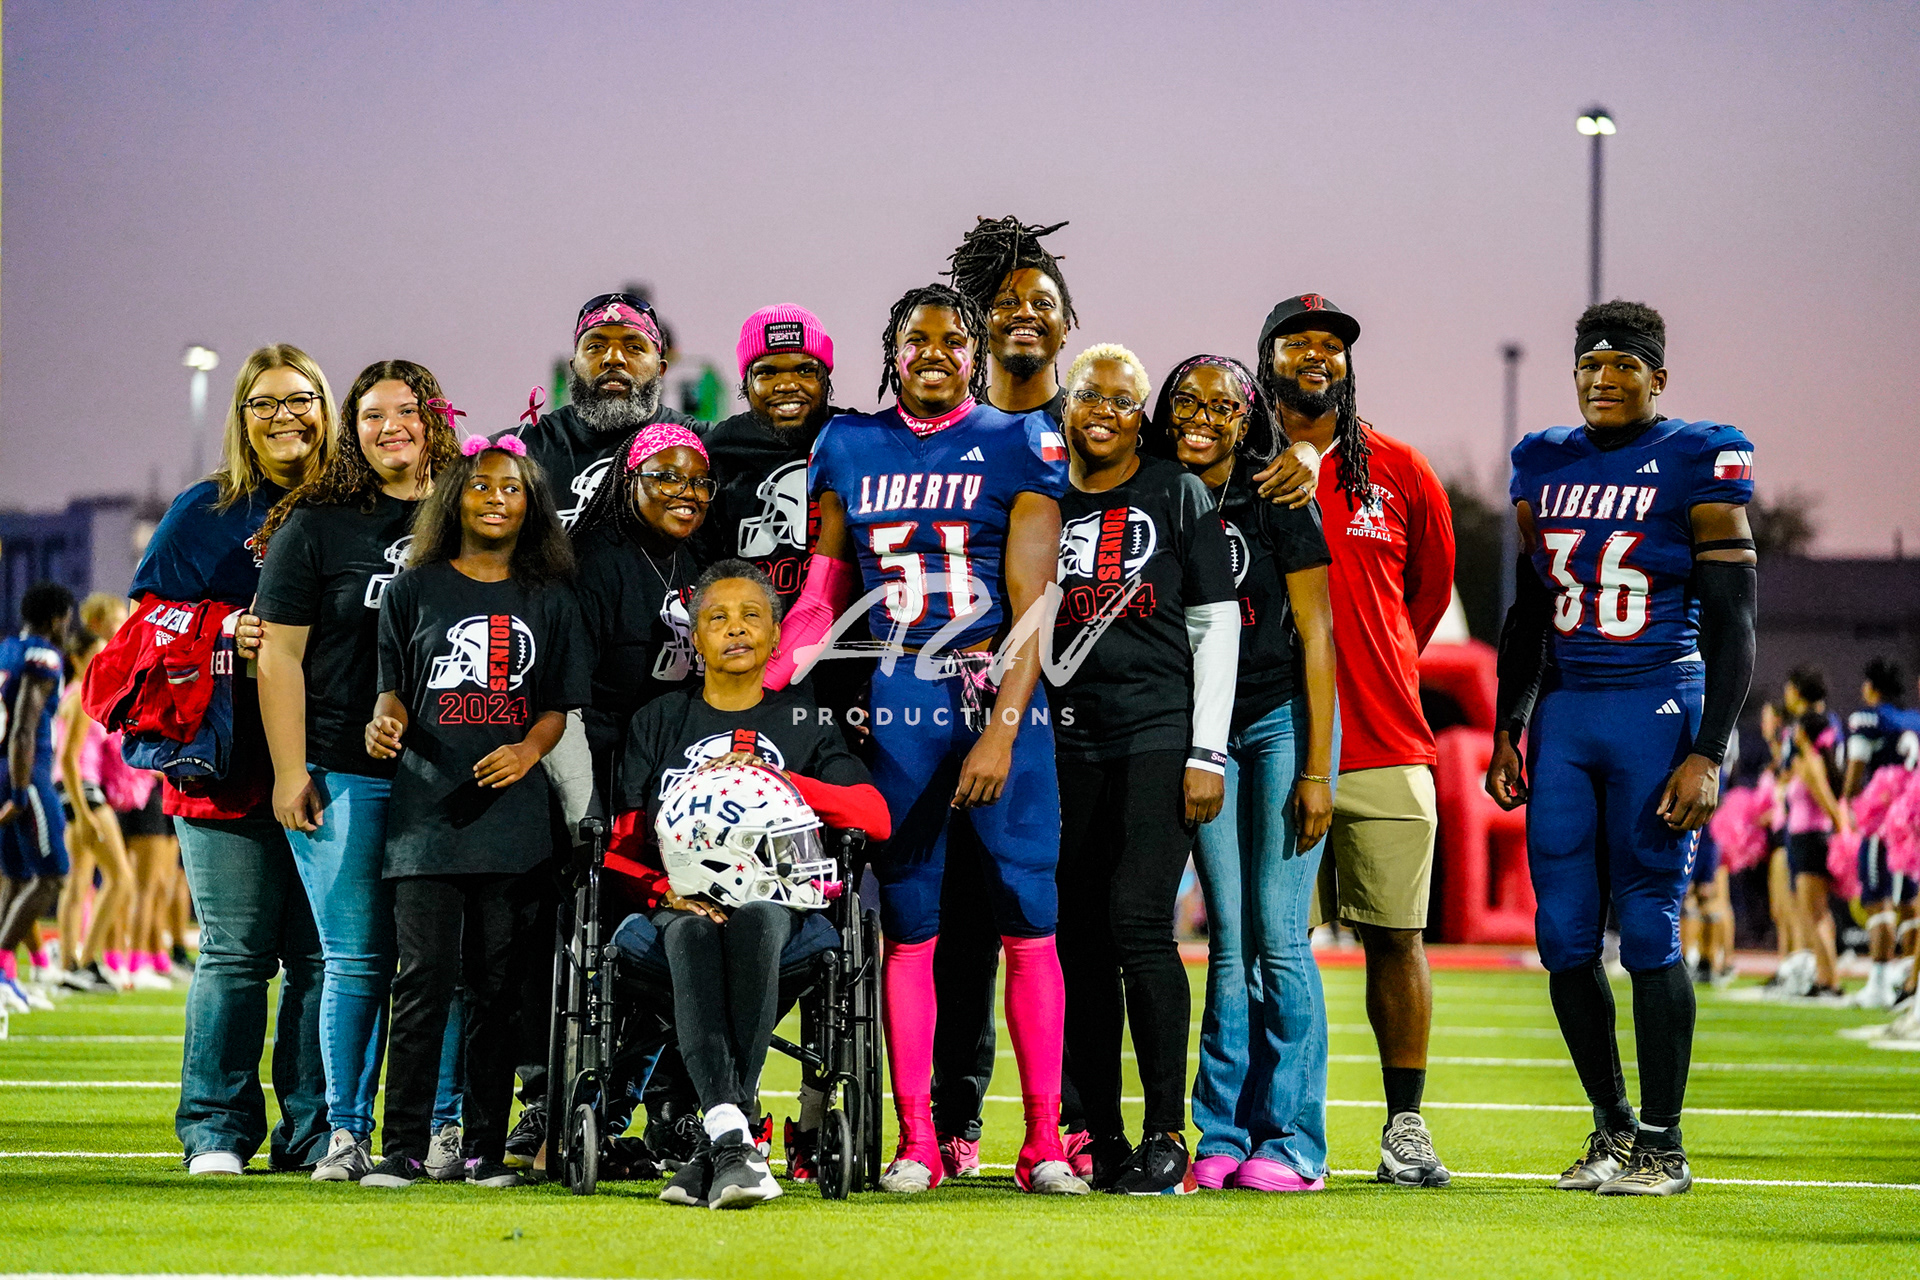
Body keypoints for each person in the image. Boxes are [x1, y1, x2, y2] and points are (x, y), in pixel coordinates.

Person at [771, 282, 1084, 1195]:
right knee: (910, 927)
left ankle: (1042, 1143)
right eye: (919, 339)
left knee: (1029, 920)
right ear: (893, 352)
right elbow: (822, 592)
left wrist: (1001, 734)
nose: (937, 352)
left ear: (974, 353)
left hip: (993, 683)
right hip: (900, 684)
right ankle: (917, 1142)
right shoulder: (848, 443)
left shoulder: (1019, 439)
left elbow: (1034, 610)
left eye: (954, 338)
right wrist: (768, 680)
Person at [1487, 299, 1758, 1196]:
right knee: (1563, 935)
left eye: (1623, 365)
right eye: (1590, 365)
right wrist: (1509, 726)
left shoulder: (1699, 456)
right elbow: (1531, 611)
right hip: (1567, 714)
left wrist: (1710, 750)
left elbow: (1734, 620)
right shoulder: (1542, 461)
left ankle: (1664, 1144)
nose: (1603, 379)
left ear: (1657, 377)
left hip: (1656, 704)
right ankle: (1610, 1128)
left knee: (1646, 927)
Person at [606, 559, 892, 1208]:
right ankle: (735, 1140)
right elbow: (621, 846)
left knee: (759, 918)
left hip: (780, 906)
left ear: (775, 634)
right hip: (680, 904)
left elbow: (874, 817)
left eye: (751, 616)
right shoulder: (657, 721)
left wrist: (780, 781)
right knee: (690, 934)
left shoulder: (804, 721)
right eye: (717, 618)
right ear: (695, 639)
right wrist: (661, 893)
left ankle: (718, 1145)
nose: (735, 629)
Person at [1256, 294, 1456, 1186]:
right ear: (1266, 358)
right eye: (1298, 342)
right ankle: (1271, 1127)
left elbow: (1427, 597)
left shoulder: (1401, 469)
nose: (1318, 355)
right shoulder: (1243, 466)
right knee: (1271, 946)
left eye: (1332, 346)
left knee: (1398, 938)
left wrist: (1379, 663)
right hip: (1274, 743)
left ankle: (1404, 1125)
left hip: (1385, 741)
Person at [253, 359, 463, 1181]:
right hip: (343, 769)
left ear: (434, 419)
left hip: (448, 776)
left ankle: (445, 1129)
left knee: (442, 962)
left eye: (406, 411)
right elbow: (279, 655)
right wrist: (288, 770)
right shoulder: (319, 523)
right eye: (371, 416)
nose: (389, 428)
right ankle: (346, 1132)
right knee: (357, 958)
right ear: (353, 430)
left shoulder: (473, 510)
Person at [359, 437, 588, 1189]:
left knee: (499, 989)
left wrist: (526, 751)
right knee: (422, 982)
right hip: (425, 819)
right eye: (481, 486)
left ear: (532, 505)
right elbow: (393, 689)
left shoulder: (551, 596)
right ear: (454, 498)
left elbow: (556, 708)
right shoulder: (412, 589)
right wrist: (384, 723)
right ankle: (402, 1147)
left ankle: (487, 1148)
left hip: (513, 823)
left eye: (512, 488)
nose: (495, 499)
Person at [129, 344, 336, 1174]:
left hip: (333, 764)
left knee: (324, 960)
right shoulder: (204, 510)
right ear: (241, 418)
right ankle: (216, 1128)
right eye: (265, 403)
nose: (285, 417)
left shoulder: (357, 505)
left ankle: (317, 1131)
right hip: (225, 765)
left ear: (325, 407)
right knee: (236, 952)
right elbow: (143, 621)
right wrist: (222, 626)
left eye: (301, 399)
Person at [1045, 345, 1241, 1194]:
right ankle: (1099, 1132)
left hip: (1158, 732)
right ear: (1068, 404)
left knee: (1137, 922)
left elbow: (1215, 624)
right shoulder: (1041, 493)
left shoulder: (1175, 489)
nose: (1104, 409)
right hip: (1064, 740)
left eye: (1123, 400)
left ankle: (1167, 1132)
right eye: (1090, 394)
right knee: (1080, 938)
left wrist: (1207, 750)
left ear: (1141, 417)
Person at [1151, 354, 1338, 1192]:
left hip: (1279, 720)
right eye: (1186, 402)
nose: (1201, 417)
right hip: (1203, 730)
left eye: (1221, 406)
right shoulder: (1153, 493)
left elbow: (1318, 633)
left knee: (1279, 934)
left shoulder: (1279, 494)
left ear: (1246, 417)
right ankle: (1222, 1133)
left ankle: (1294, 1140)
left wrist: (1318, 770)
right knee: (1228, 939)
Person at [568, 422, 713, 786]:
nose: (689, 493)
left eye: (699, 482)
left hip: (673, 762)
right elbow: (566, 700)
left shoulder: (696, 560)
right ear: (629, 481)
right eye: (668, 478)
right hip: (603, 768)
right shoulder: (593, 562)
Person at [695, 306, 843, 613]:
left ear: (827, 377)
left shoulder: (860, 441)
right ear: (745, 382)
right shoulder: (715, 453)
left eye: (805, 370)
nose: (787, 385)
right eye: (767, 372)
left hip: (849, 638)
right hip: (751, 639)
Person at [509, 291, 696, 530]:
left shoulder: (699, 443)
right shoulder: (522, 450)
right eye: (596, 346)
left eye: (633, 347)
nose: (613, 358)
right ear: (573, 367)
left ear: (661, 369)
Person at [53, 598, 139, 992]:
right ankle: (87, 959)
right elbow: (68, 759)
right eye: (96, 657)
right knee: (120, 878)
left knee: (79, 882)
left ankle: (71, 966)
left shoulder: (75, 694)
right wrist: (84, 813)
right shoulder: (79, 698)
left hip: (74, 791)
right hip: (82, 792)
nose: (103, 663)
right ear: (78, 659)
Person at [0, 583, 77, 1014]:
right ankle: (0, 972)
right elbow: (24, 728)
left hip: (7, 768)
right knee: (52, 875)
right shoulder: (43, 656)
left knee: (15, 875)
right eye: (67, 618)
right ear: (56, 618)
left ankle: (5, 976)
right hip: (27, 772)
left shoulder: (6, 650)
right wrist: (19, 789)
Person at [1844, 659, 1920, 1008]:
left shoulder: (1869, 719)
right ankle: (1909, 980)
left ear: (1872, 687)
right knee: (1908, 903)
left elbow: (1855, 770)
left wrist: (1851, 802)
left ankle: (1879, 981)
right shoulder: (1913, 720)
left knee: (1878, 900)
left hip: (1883, 820)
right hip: (1911, 822)